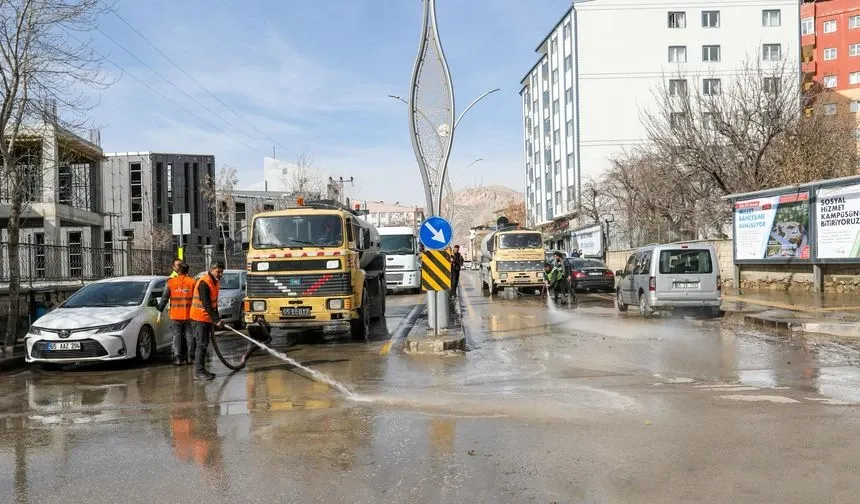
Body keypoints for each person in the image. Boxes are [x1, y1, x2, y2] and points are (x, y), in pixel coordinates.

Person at [189, 261, 225, 381]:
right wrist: (216, 319)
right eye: (218, 271)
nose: (220, 274)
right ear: (211, 269)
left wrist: (217, 319)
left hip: (207, 318)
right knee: (201, 345)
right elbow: (207, 304)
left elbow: (214, 304)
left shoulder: (215, 282)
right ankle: (199, 372)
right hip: (199, 318)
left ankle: (202, 370)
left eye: (222, 271)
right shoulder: (204, 283)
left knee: (204, 344)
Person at [157, 262, 196, 365]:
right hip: (189, 314)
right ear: (187, 271)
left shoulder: (170, 282)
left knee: (176, 336)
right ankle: (190, 357)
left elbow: (164, 298)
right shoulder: (192, 282)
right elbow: (197, 298)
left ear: (177, 272)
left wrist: (159, 310)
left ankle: (178, 358)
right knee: (189, 335)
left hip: (175, 314)